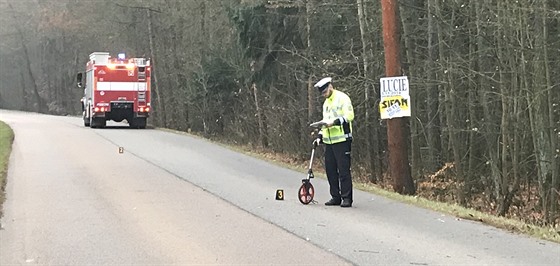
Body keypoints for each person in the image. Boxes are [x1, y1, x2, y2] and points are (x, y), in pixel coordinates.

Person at [312, 77, 355, 208]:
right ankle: (335, 196)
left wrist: (334, 122)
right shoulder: (326, 104)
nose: (324, 95)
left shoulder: (342, 98)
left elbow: (349, 116)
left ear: (330, 86)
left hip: (342, 139)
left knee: (343, 170)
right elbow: (325, 122)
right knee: (330, 170)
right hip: (329, 141)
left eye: (325, 92)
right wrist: (320, 136)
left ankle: (347, 198)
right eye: (322, 93)